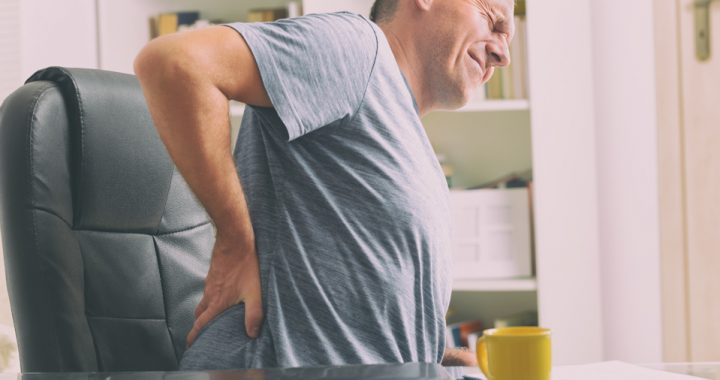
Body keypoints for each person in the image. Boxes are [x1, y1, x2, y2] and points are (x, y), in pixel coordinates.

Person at [134, 0, 514, 369]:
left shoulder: (412, 141)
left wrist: (434, 360)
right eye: (493, 21)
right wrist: (235, 242)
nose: (503, 55)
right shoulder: (358, 48)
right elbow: (174, 64)